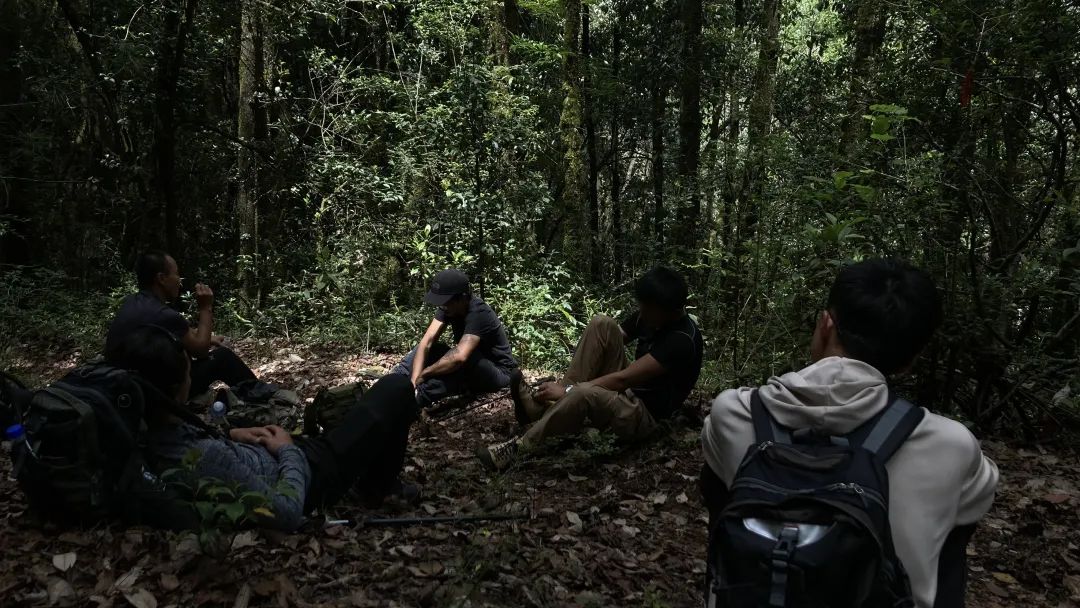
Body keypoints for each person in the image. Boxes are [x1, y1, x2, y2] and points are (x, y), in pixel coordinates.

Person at [700, 259, 999, 608]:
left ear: (825, 324)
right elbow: (978, 497)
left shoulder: (733, 412)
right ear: (910, 360)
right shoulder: (952, 445)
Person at [113, 325, 420, 531]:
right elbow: (286, 512)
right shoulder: (199, 456)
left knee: (362, 407)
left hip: (284, 454)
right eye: (187, 371)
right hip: (314, 470)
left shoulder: (145, 432)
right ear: (177, 385)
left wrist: (231, 435)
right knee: (396, 387)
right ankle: (373, 488)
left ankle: (373, 479)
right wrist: (287, 450)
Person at [478, 266, 703, 471]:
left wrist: (570, 391)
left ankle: (520, 447)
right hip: (629, 393)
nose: (641, 314)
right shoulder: (652, 316)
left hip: (643, 414)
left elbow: (624, 379)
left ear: (667, 310)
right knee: (602, 324)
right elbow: (612, 338)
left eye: (647, 308)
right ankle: (548, 406)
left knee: (584, 393)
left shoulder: (681, 340)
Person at [105, 250, 257, 395]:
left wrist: (208, 338)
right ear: (162, 279)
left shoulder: (132, 302)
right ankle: (263, 394)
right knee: (224, 358)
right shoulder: (163, 314)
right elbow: (201, 350)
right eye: (176, 274)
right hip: (151, 394)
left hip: (121, 387)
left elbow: (180, 332)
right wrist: (205, 307)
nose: (180, 280)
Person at [391, 269, 518, 409]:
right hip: (471, 365)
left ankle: (416, 399)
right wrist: (414, 380)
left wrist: (426, 373)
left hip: (498, 373)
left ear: (462, 297)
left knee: (460, 360)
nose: (442, 307)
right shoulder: (448, 308)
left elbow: (460, 357)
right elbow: (426, 343)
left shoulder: (479, 312)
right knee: (436, 348)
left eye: (446, 302)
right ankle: (394, 380)